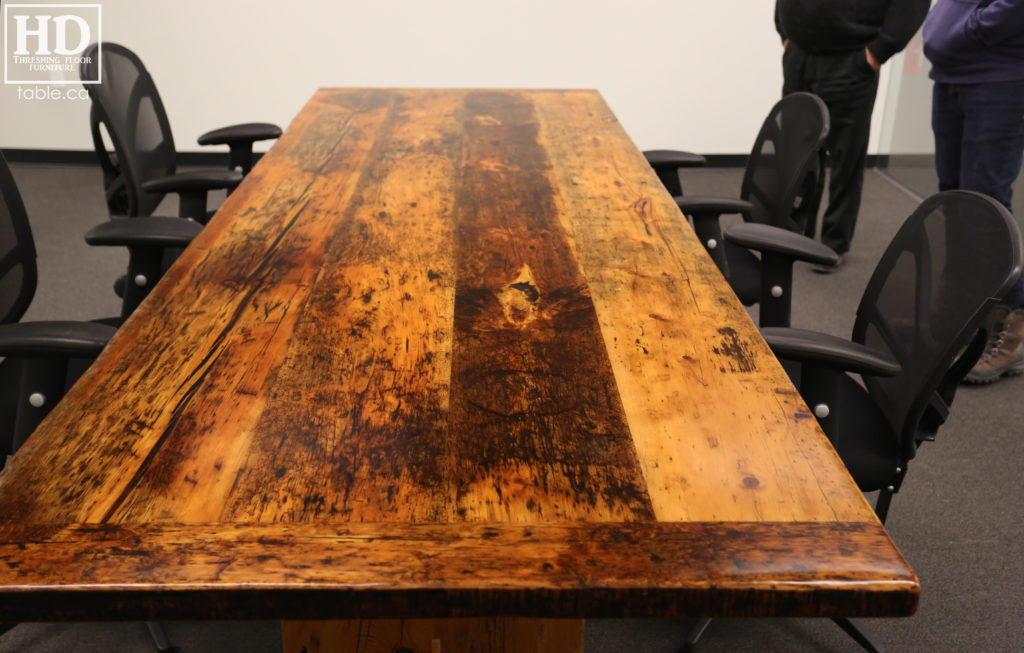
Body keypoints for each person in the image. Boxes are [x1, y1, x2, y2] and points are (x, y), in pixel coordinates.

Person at [775, 0, 930, 270]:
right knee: (797, 149)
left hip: (851, 60)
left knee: (847, 155)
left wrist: (877, 53)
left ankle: (833, 243)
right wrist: (785, 31)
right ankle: (794, 231)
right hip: (799, 56)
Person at [923, 0, 1024, 384]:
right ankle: (963, 321)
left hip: (999, 80)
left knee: (986, 209)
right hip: (952, 74)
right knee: (956, 204)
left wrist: (969, 28)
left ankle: (1013, 325)